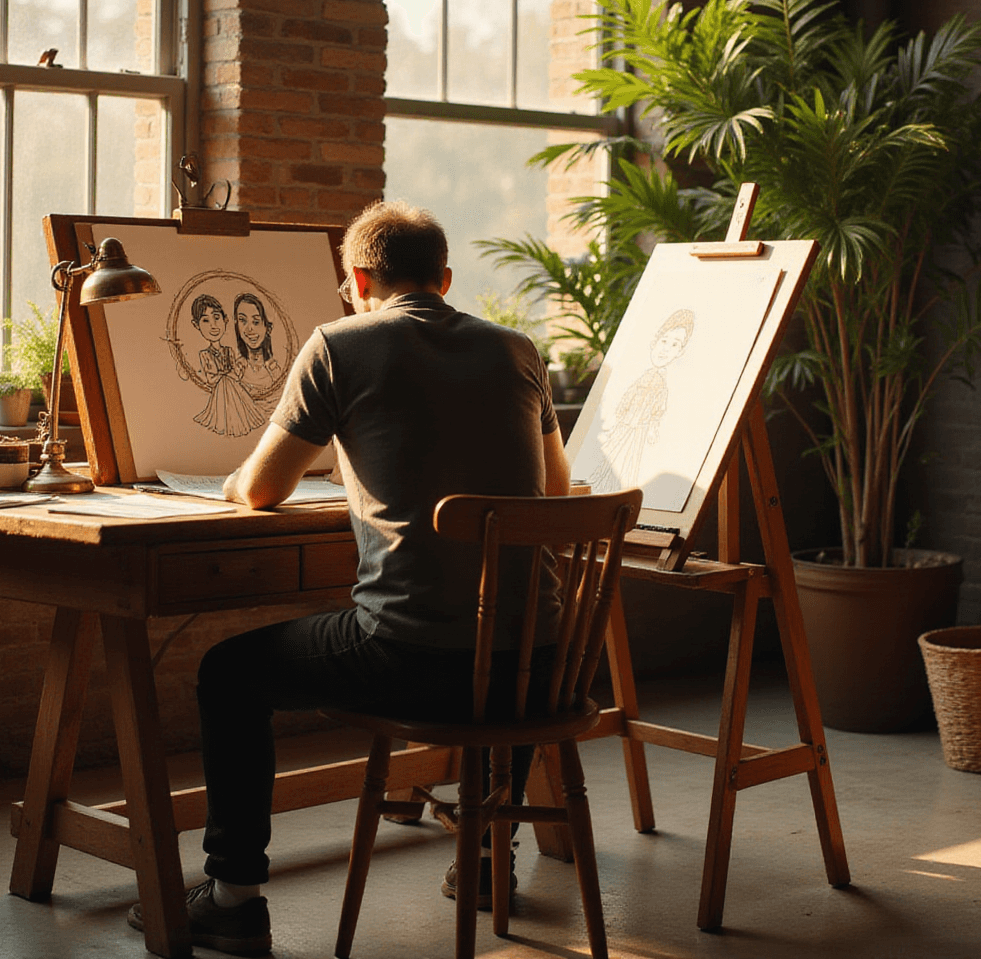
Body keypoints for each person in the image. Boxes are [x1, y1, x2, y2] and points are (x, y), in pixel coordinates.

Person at [134, 201, 570, 956]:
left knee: (228, 673)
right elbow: (555, 493)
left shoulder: (340, 344)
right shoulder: (517, 350)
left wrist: (237, 483)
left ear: (358, 279)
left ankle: (234, 897)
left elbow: (265, 489)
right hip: (539, 671)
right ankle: (491, 859)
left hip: (414, 668)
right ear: (446, 278)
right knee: (504, 625)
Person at [586, 308, 694, 493]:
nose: (666, 349)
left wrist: (652, 428)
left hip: (639, 430)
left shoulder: (662, 385)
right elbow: (628, 397)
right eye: (664, 341)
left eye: (675, 345)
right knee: (610, 456)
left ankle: (621, 492)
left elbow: (658, 409)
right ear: (654, 342)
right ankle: (601, 487)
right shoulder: (643, 377)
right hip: (625, 424)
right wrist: (619, 414)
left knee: (629, 461)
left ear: (680, 353)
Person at [191, 293, 267, 438]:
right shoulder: (205, 354)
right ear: (196, 325)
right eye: (205, 320)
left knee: (231, 384)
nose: (213, 325)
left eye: (217, 318)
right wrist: (229, 374)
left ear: (225, 320)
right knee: (226, 382)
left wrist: (239, 368)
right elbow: (212, 379)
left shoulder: (229, 351)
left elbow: (237, 375)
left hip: (234, 388)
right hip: (222, 391)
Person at [232, 291, 286, 399]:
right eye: (243, 321)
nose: (249, 329)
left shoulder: (274, 370)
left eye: (256, 322)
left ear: (267, 327)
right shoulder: (237, 369)